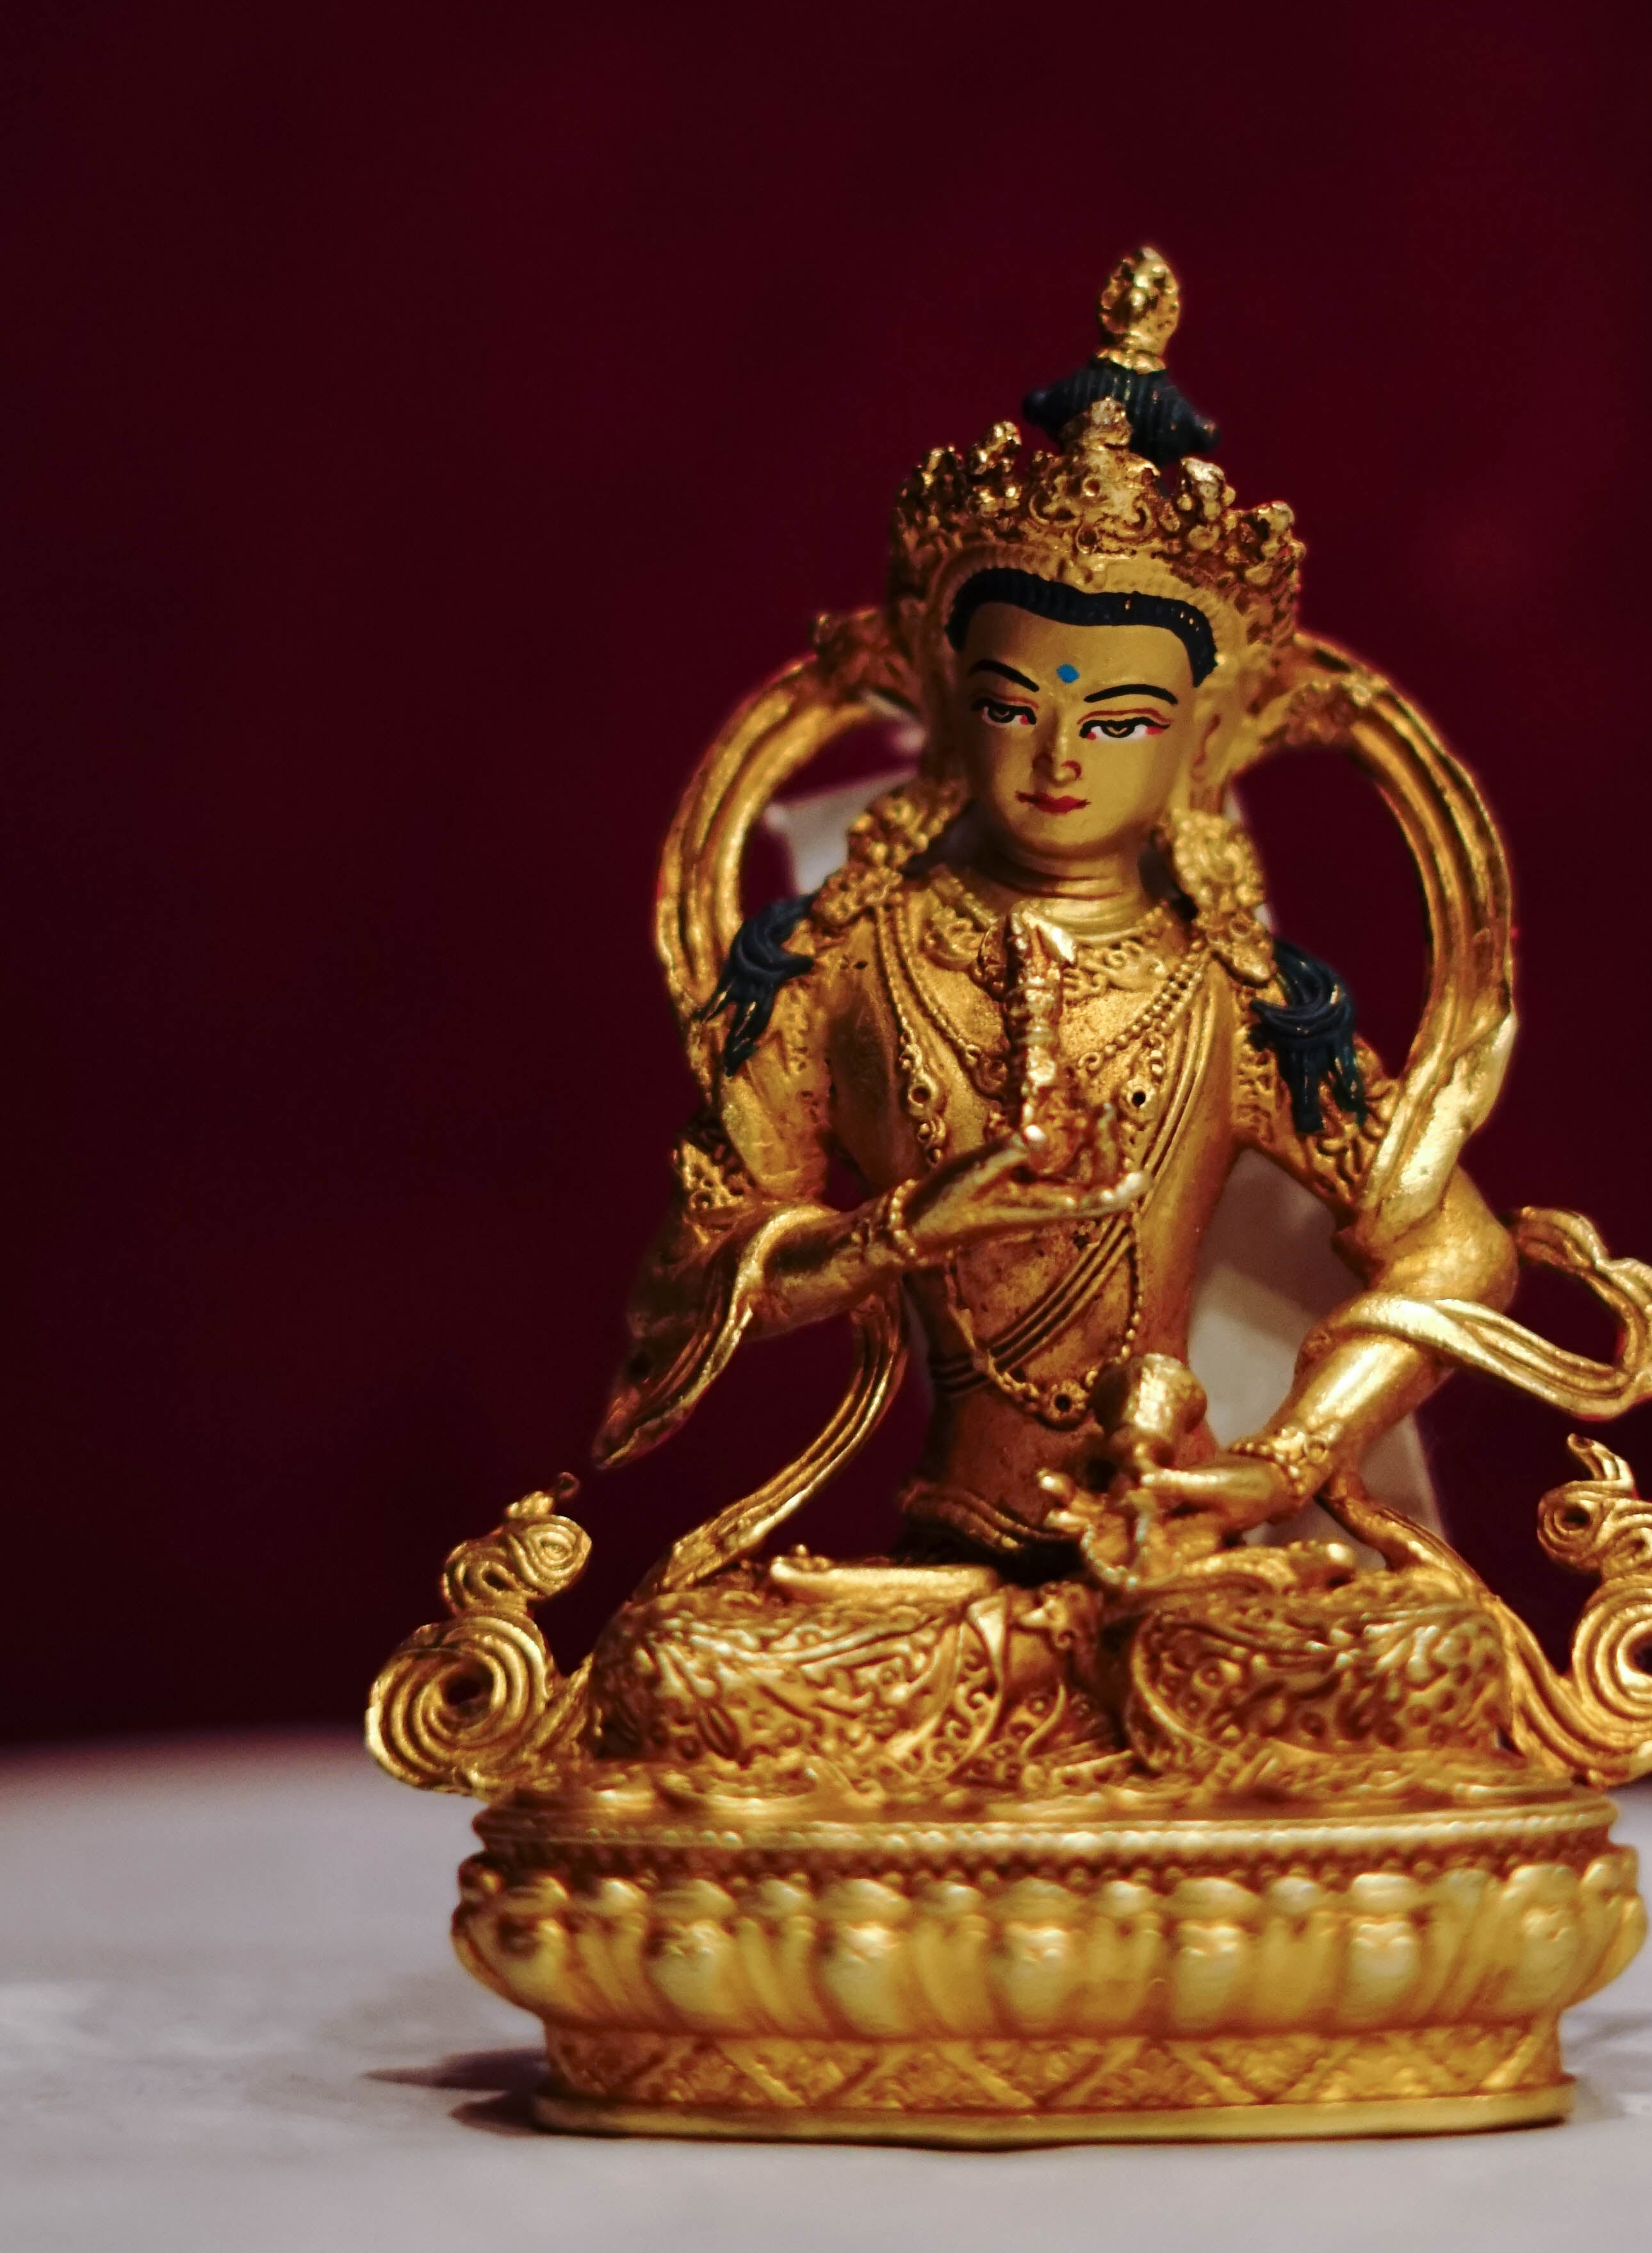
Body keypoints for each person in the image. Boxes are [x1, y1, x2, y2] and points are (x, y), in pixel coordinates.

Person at [592, 247, 1523, 1578]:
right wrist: (897, 1231)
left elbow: (1456, 1253)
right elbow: (684, 1287)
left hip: (1171, 1546)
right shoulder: (840, 962)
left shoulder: (1237, 996)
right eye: (1013, 707)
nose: (1058, 759)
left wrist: (1285, 1458)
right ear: (947, 703)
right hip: (937, 1559)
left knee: (1409, 1658)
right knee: (691, 1673)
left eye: (1118, 718)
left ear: (1199, 737)